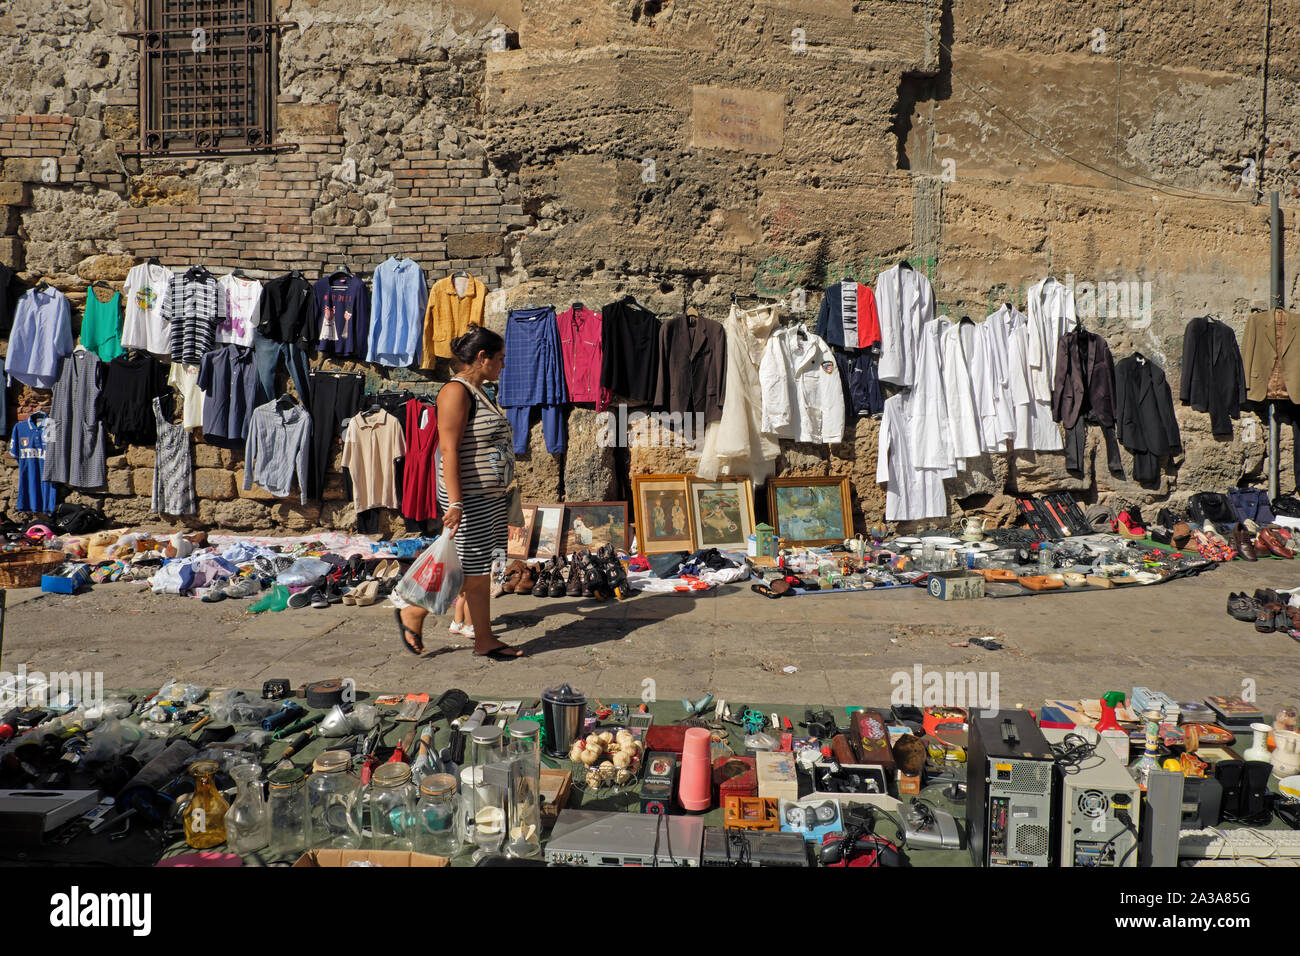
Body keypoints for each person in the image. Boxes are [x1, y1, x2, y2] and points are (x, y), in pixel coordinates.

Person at [392, 325, 524, 658]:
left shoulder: (481, 392)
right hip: (469, 498)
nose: (503, 366)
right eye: (500, 359)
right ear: (483, 358)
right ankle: (415, 611)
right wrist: (455, 503)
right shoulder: (455, 392)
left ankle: (484, 639)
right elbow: (448, 450)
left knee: (478, 572)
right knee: (466, 570)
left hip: (489, 498)